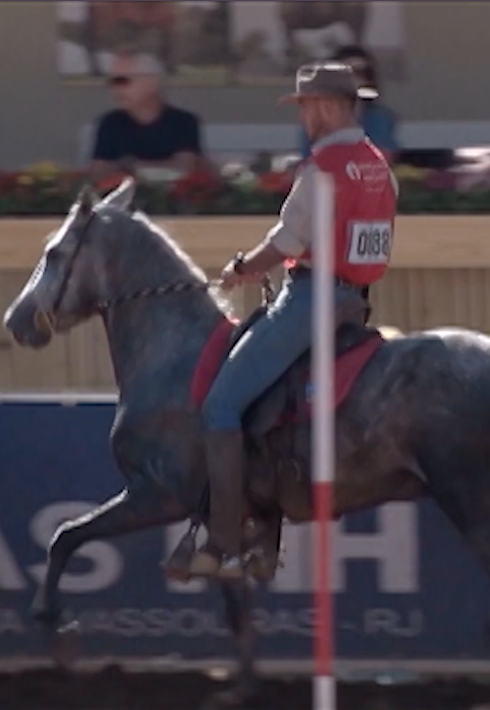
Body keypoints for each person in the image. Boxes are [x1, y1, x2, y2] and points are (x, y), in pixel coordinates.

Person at [182, 61, 398, 579]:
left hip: (309, 301)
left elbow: (285, 244)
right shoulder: (377, 165)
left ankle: (226, 540)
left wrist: (239, 270)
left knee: (221, 405)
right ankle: (263, 531)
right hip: (356, 303)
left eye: (304, 107)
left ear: (324, 106)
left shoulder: (319, 172)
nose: (303, 117)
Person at [89, 51, 203, 182]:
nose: (115, 89)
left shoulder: (183, 122)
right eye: (111, 82)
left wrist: (130, 167)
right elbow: (98, 172)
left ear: (152, 82)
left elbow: (184, 169)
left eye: (122, 81)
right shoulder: (110, 123)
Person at [297, 45, 399, 163]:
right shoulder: (316, 119)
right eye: (346, 73)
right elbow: (307, 159)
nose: (355, 79)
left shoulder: (381, 117)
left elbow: (382, 156)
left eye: (362, 73)